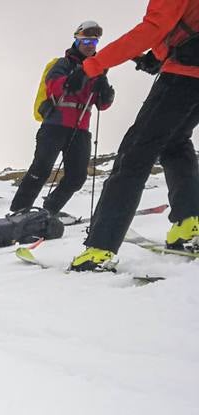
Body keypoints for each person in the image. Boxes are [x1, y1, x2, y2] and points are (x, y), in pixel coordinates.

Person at [71, 0, 199, 271]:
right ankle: (189, 224)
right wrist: (158, 56)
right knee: (175, 142)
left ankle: (100, 249)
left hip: (182, 77)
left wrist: (95, 64)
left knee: (135, 153)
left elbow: (154, 26)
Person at [10, 22, 115, 219]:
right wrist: (75, 77)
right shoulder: (63, 64)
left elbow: (102, 105)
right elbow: (54, 86)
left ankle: (49, 210)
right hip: (54, 126)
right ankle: (18, 211)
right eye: (85, 40)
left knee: (77, 177)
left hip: (81, 130)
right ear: (76, 40)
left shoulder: (98, 70)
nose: (90, 45)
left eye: (94, 41)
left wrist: (106, 93)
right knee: (41, 169)